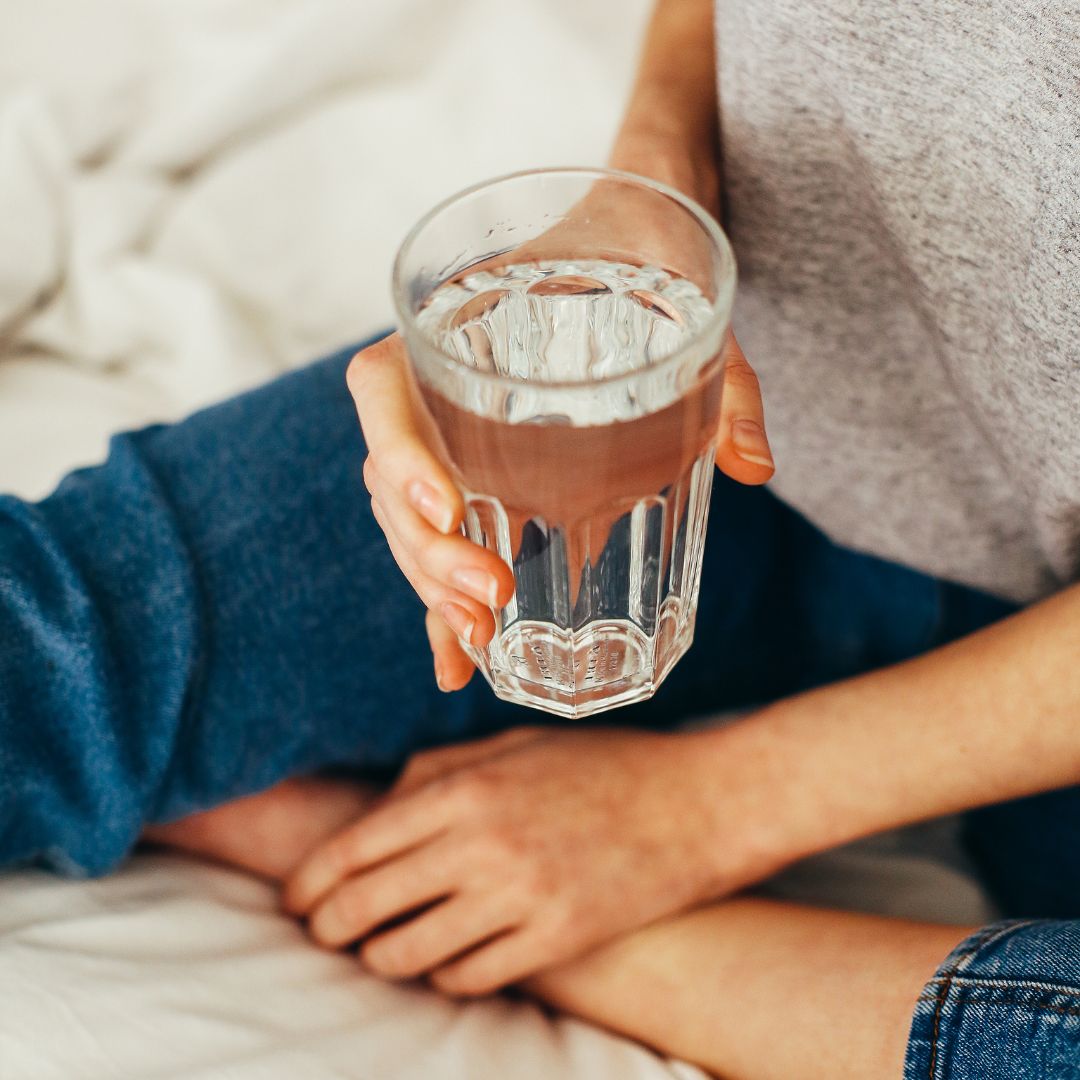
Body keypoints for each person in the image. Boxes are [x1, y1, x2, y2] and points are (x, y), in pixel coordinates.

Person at [1, 0, 1078, 1076]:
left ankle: (454, 893)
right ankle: (473, 888)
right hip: (722, 407)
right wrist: (652, 184)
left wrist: (705, 811)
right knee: (46, 648)